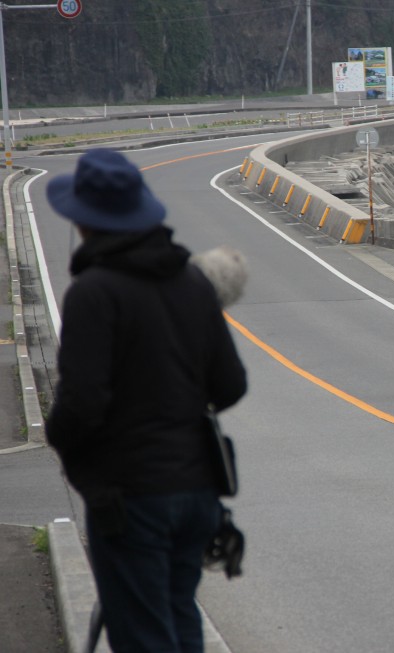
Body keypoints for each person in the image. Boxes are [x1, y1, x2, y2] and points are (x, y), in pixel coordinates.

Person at [44, 149, 248, 653]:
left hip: (129, 498)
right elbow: (230, 384)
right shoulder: (192, 282)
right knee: (180, 623)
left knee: (143, 635)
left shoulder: (94, 293)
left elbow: (81, 406)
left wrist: (67, 449)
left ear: (85, 222)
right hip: (197, 492)